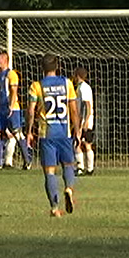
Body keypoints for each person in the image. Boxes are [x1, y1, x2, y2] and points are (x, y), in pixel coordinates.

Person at [26, 54, 81, 217]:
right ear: (57, 66)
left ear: (42, 68)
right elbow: (73, 110)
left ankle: (55, 208)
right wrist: (77, 130)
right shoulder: (67, 83)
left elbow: (30, 111)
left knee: (49, 172)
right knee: (69, 165)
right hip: (65, 132)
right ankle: (69, 189)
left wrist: (29, 131)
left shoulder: (36, 86)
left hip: (46, 134)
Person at [0, 51, 33, 170]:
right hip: (1, 109)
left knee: (17, 134)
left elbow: (14, 92)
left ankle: (27, 161)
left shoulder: (11, 74)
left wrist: (11, 107)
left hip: (12, 109)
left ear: (5, 60)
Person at [73, 67, 95, 176]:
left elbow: (87, 106)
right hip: (85, 119)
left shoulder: (84, 88)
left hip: (85, 120)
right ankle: (88, 168)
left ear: (77, 76)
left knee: (78, 143)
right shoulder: (81, 87)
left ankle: (81, 167)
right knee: (85, 144)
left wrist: (85, 121)